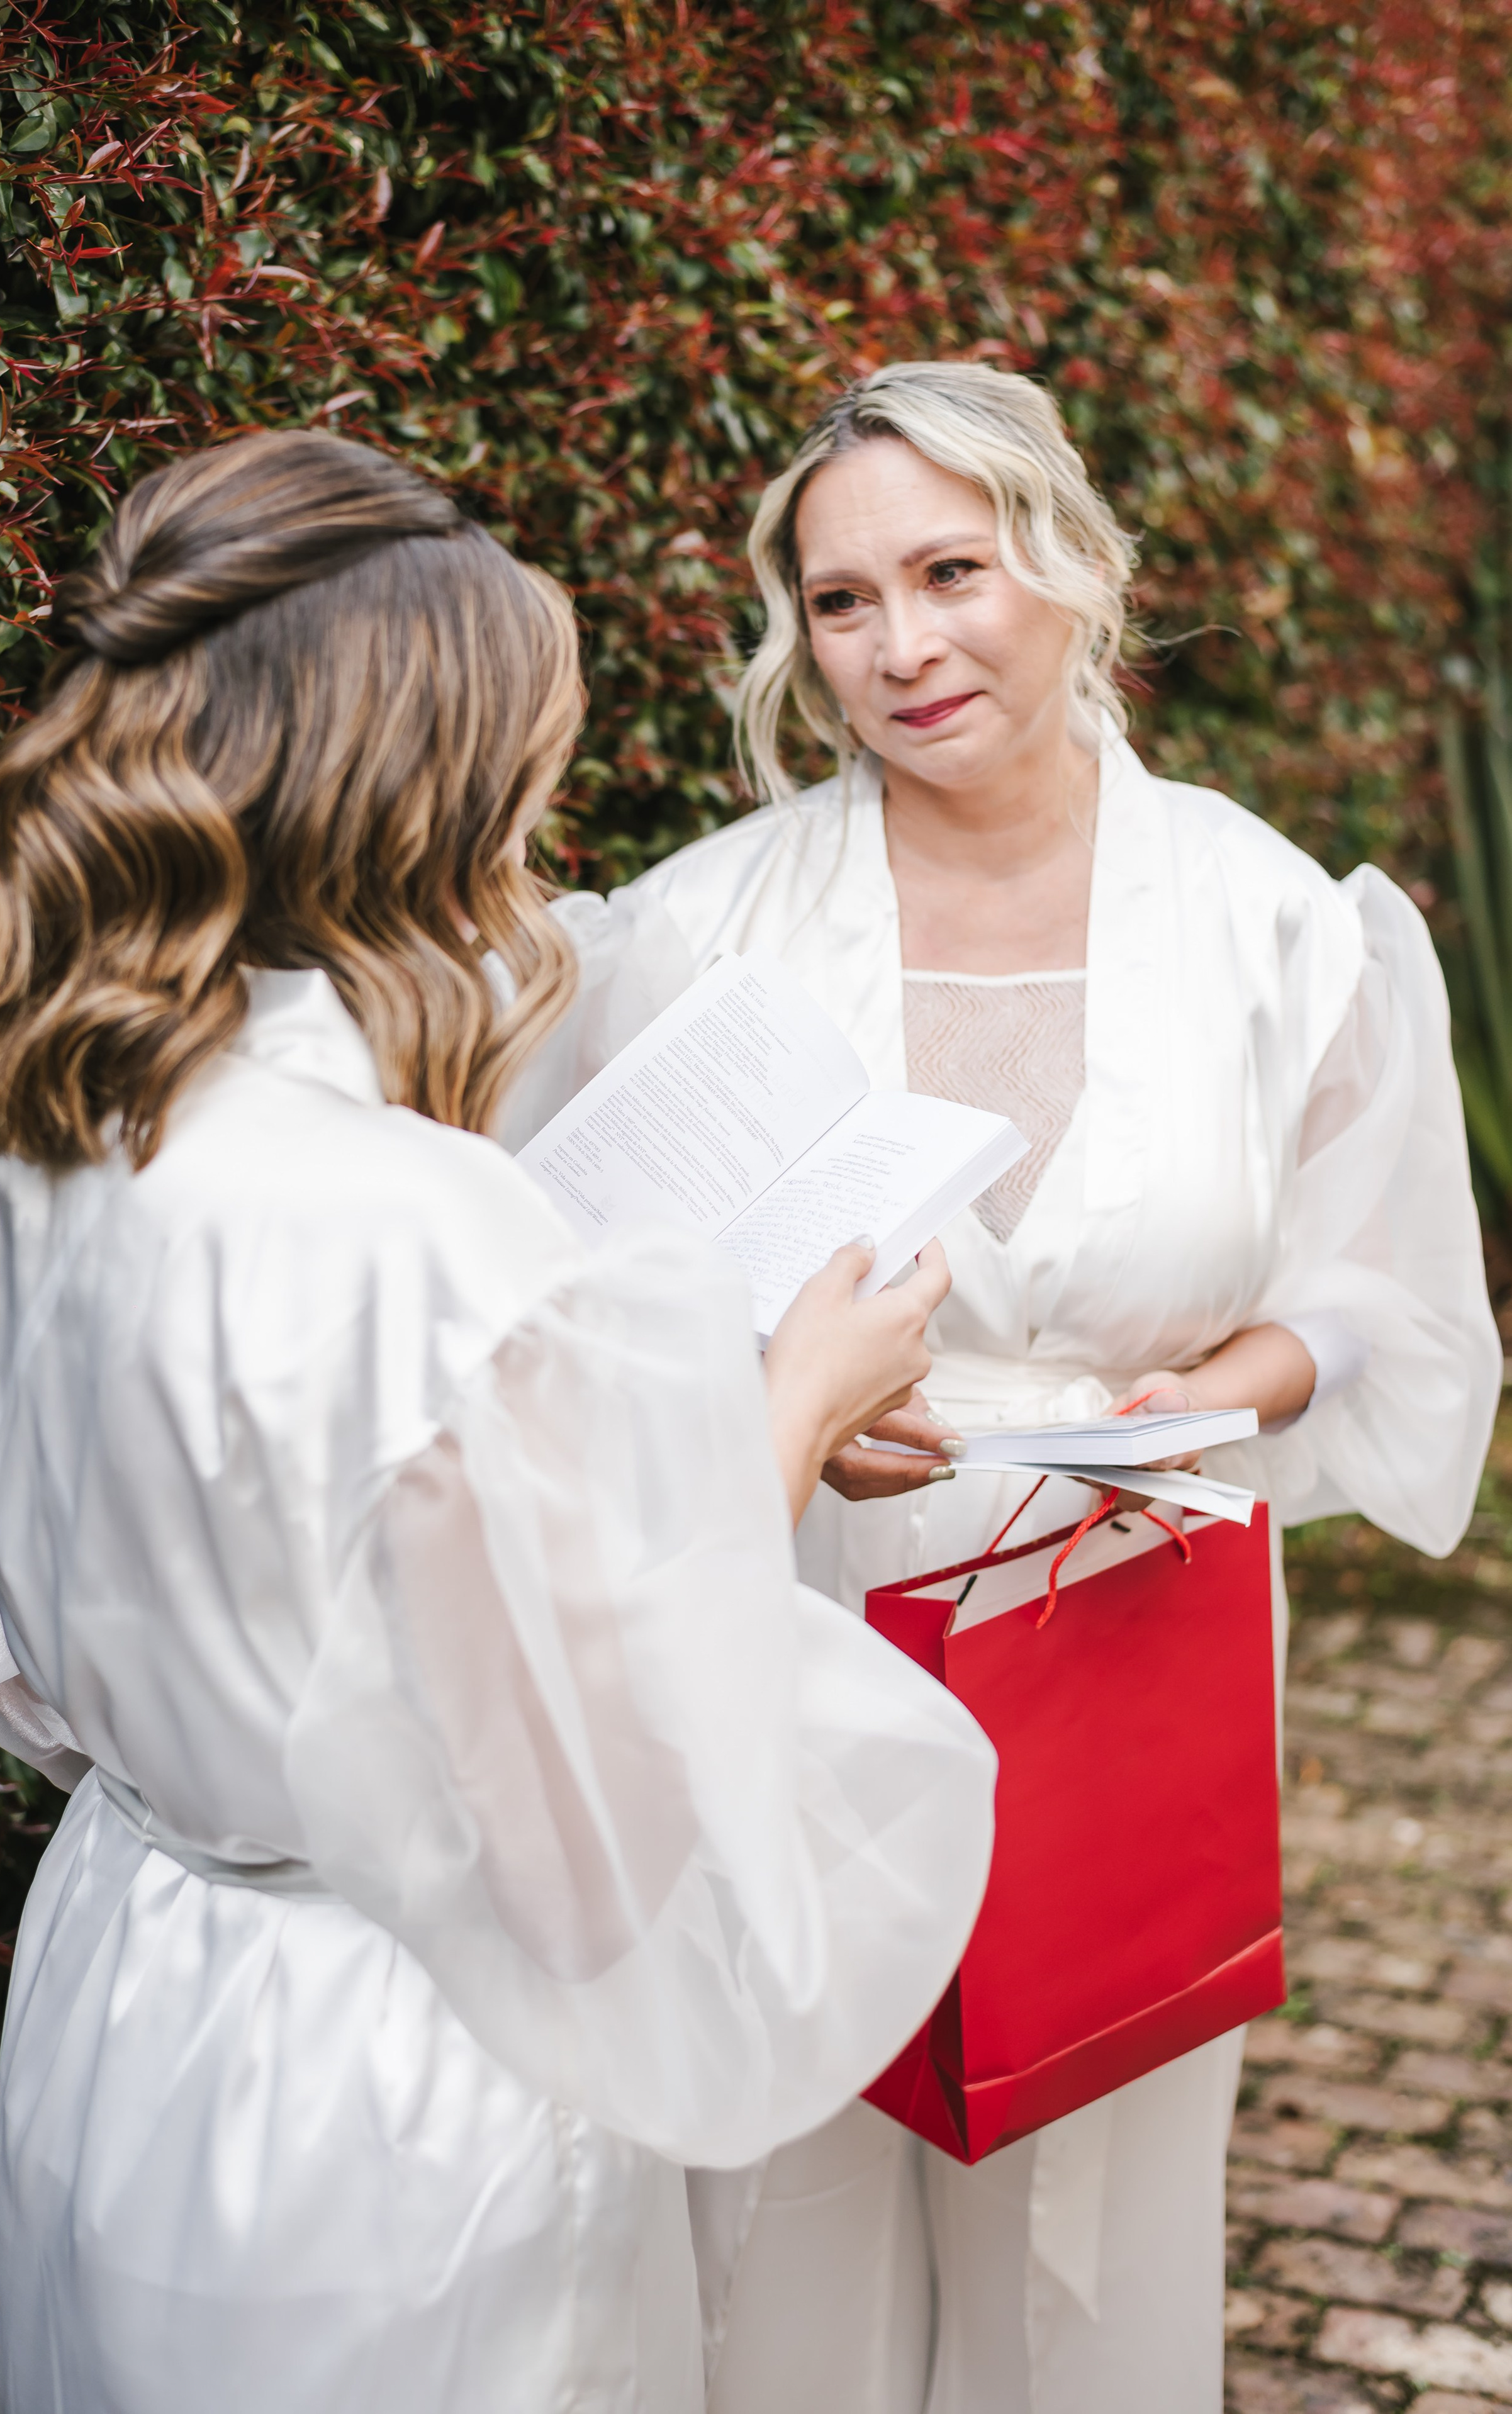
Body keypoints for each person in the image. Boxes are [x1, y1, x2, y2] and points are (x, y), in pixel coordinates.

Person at [0, 430, 1000, 2414]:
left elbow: (19, 1675)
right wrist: (783, 1409)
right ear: (421, 799)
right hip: (402, 2085)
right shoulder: (425, 1225)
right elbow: (587, 1833)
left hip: (126, 1988)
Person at [594, 361, 1503, 2413]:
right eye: (841, 602)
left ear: (1072, 563)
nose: (902, 646)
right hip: (809, 1618)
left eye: (950, 570)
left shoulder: (1279, 927)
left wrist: (1224, 1383)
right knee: (783, 2213)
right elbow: (571, 1293)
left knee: (1091, 2252)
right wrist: (773, 1374)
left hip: (1133, 1621)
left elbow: (1380, 1290)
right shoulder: (693, 943)